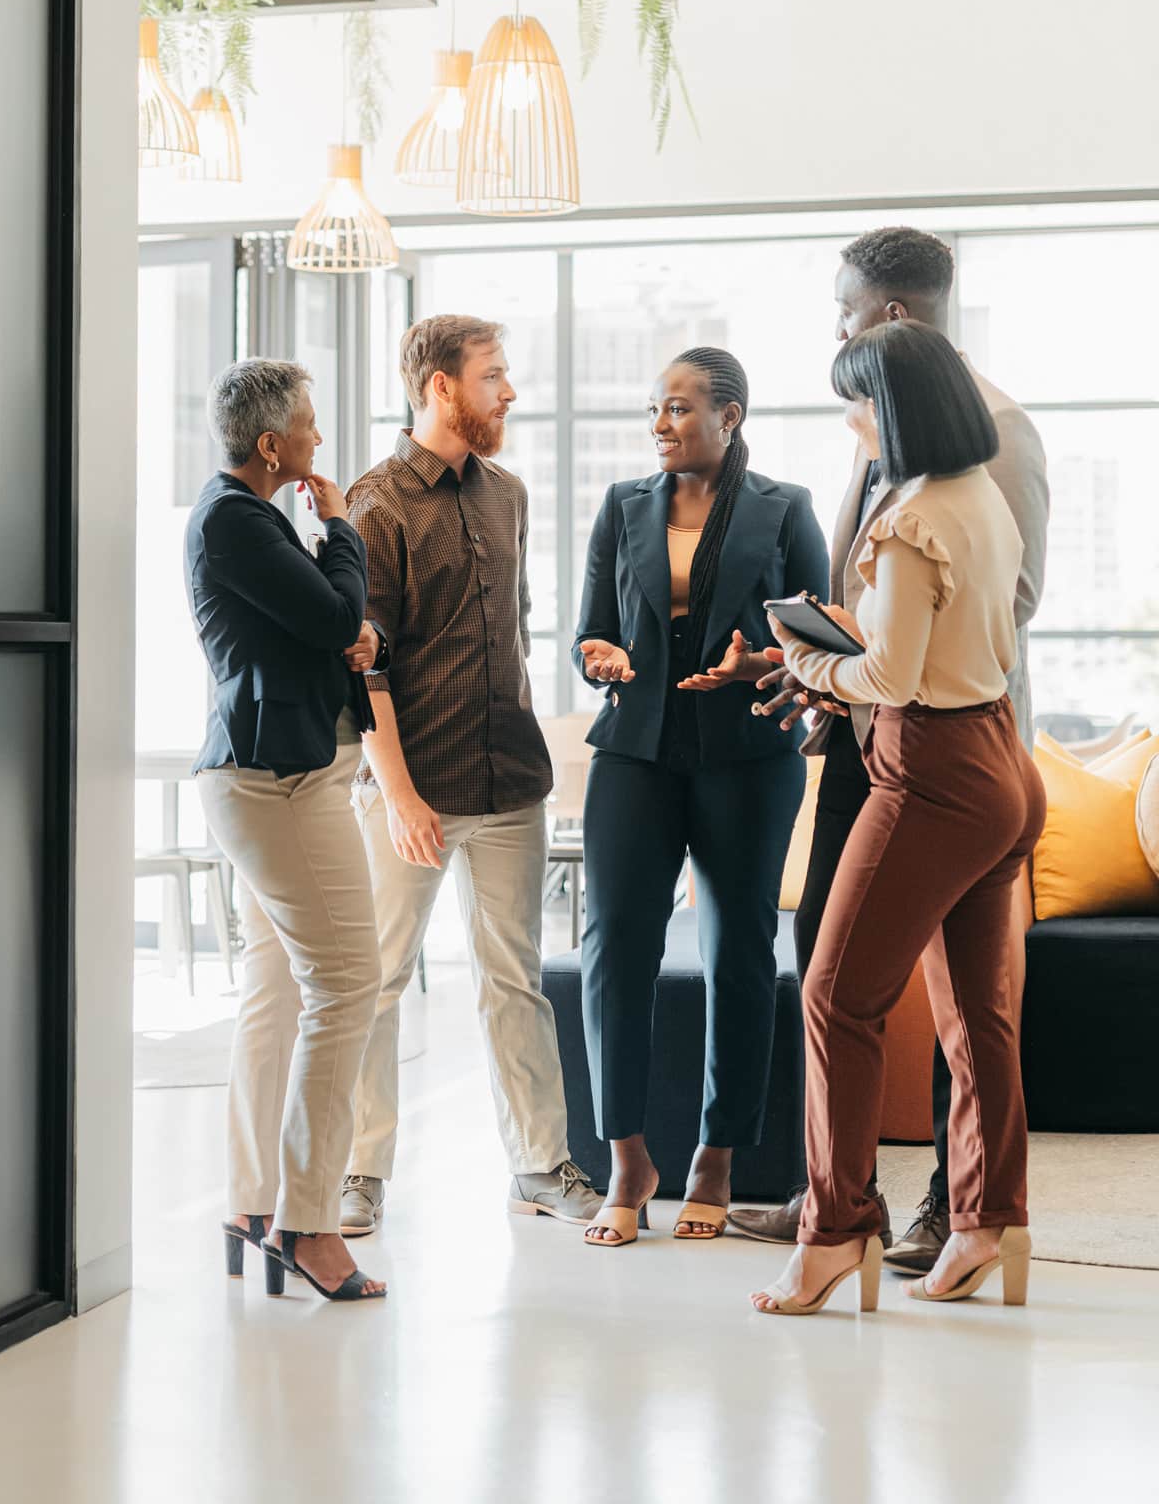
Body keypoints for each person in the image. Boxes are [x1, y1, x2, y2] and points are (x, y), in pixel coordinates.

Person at [730, 227, 1048, 1273]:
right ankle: (988, 1220)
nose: (850, 416)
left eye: (852, 389)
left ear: (891, 345)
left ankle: (839, 1227)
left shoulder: (934, 498)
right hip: (988, 758)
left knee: (834, 996)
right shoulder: (965, 493)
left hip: (931, 756)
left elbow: (903, 665)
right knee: (972, 1017)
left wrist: (817, 666)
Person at [339, 315, 601, 1235]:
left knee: (515, 980)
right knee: (376, 982)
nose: (509, 391)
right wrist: (400, 795)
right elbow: (360, 663)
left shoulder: (509, 496)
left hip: (511, 784)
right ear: (441, 387)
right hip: (415, 793)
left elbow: (513, 634)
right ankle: (358, 1171)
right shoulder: (376, 505)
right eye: (494, 375)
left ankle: (540, 1162)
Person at [574, 348, 829, 1248]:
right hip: (635, 755)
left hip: (749, 757)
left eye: (678, 408)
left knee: (739, 954)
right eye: (654, 409)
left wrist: (759, 661)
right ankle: (627, 1156)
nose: (660, 424)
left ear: (731, 415)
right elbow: (588, 632)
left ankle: (718, 1154)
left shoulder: (785, 508)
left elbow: (821, 643)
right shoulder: (622, 506)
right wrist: (598, 656)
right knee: (613, 950)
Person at [187, 358, 387, 1303]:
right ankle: (307, 1221)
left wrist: (351, 631)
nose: (317, 438)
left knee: (279, 988)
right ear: (272, 445)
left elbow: (325, 630)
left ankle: (251, 1201)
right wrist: (342, 525)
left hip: (275, 773)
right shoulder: (237, 519)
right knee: (347, 982)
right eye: (307, 425)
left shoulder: (254, 521)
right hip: (279, 783)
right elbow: (332, 612)